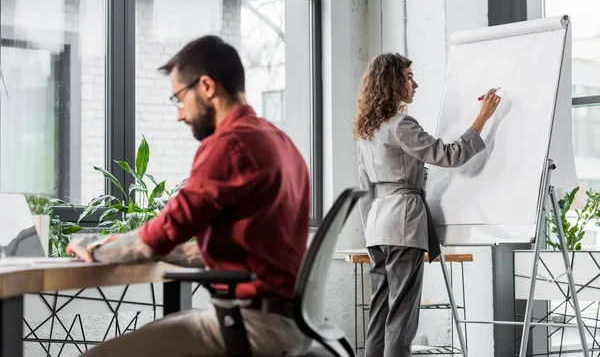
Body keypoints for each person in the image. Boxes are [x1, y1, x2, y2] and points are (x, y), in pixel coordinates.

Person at [66, 35, 312, 356]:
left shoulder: (230, 144)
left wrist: (93, 248)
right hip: (286, 322)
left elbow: (159, 234)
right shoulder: (278, 141)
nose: (180, 114)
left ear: (207, 87)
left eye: (179, 98)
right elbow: (218, 247)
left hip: (249, 325)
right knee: (162, 328)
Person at [353, 53, 501, 357]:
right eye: (408, 77)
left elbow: (365, 190)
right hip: (404, 226)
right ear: (391, 82)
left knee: (379, 315)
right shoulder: (400, 124)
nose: (415, 84)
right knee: (401, 320)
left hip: (378, 229)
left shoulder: (366, 131)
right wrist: (482, 118)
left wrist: (371, 232)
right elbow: (449, 155)